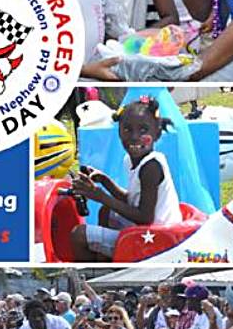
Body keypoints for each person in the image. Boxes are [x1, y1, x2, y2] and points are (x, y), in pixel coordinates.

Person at [68, 96, 181, 261]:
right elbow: (133, 201)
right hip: (148, 229)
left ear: (156, 134)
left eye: (143, 130)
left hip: (157, 236)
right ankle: (107, 262)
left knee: (78, 235)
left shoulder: (151, 167)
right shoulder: (131, 160)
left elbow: (145, 217)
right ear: (119, 131)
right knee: (106, 212)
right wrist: (106, 182)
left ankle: (95, 272)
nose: (134, 137)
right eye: (127, 129)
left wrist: (99, 195)